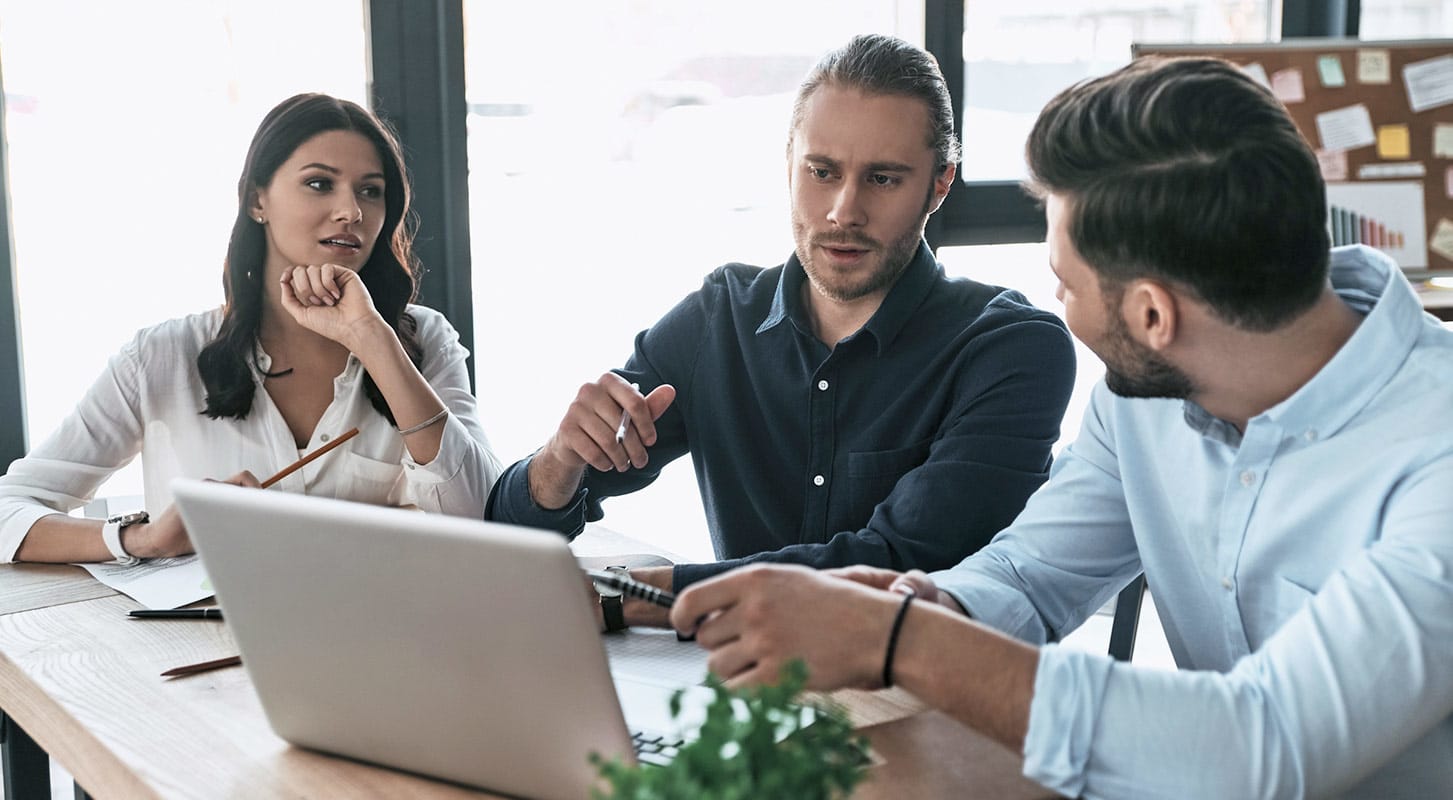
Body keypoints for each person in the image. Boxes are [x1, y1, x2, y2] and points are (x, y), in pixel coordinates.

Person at [672, 56, 1453, 798]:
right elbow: (1028, 573)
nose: (1055, 305)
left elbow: (1263, 745)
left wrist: (899, 639)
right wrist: (923, 606)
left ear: (1152, 314)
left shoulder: (1436, 454)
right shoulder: (1147, 393)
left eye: (1064, 282)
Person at [486, 34, 1075, 628]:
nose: (844, 210)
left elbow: (900, 564)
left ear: (940, 184)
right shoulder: (719, 320)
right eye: (822, 171)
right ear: (789, 163)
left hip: (928, 705)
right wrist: (560, 462)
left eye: (883, 179)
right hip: (746, 700)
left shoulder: (1012, 350)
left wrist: (630, 595)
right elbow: (509, 537)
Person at [0, 94, 502, 564]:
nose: (352, 211)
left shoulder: (423, 340)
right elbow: (9, 510)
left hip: (378, 640)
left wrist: (374, 341)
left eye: (371, 191)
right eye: (319, 183)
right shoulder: (162, 356)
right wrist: (141, 538)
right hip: (195, 647)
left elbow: (484, 513)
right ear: (257, 199)